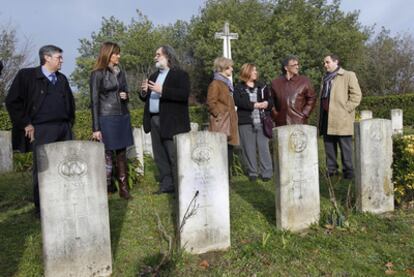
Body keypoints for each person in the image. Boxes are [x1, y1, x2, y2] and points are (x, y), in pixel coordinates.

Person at [6, 45, 75, 215]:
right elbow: (12, 102)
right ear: (47, 57)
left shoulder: (62, 79)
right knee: (43, 168)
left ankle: (64, 201)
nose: (62, 61)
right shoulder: (27, 76)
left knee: (65, 166)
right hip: (42, 129)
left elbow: (70, 103)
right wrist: (25, 123)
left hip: (63, 128)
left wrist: (69, 123)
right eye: (59, 57)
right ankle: (42, 207)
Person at [140, 45, 190, 194]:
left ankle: (180, 185)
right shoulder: (154, 76)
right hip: (154, 119)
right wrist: (143, 93)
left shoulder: (180, 75)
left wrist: (163, 91)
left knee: (173, 154)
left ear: (167, 56)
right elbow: (148, 98)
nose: (155, 57)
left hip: (172, 121)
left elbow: (183, 95)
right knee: (160, 155)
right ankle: (166, 184)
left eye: (158, 54)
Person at [90, 41, 133, 200]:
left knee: (122, 153)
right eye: (116, 53)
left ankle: (124, 189)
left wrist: (126, 95)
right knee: (106, 154)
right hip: (106, 117)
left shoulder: (120, 72)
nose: (119, 56)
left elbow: (126, 91)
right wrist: (96, 128)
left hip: (122, 116)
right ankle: (105, 187)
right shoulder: (97, 73)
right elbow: (94, 101)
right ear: (108, 54)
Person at [319, 54, 362, 179]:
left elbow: (356, 96)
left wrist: (345, 110)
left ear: (336, 61)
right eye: (324, 63)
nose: (325, 65)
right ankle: (331, 171)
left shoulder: (348, 75)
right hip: (327, 117)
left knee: (345, 147)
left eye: (327, 62)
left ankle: (348, 172)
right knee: (329, 145)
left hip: (342, 118)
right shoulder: (325, 78)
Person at [233, 63, 273, 181]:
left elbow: (270, 100)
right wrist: (254, 105)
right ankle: (253, 173)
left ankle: (267, 173)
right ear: (247, 72)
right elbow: (238, 102)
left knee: (263, 147)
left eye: (256, 70)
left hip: (262, 121)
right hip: (245, 122)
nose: (256, 72)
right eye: (254, 71)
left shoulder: (263, 86)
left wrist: (267, 104)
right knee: (248, 148)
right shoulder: (238, 88)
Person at [206, 57, 239, 173]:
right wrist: (219, 116)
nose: (232, 69)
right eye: (230, 67)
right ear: (223, 68)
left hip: (229, 123)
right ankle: (221, 180)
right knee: (220, 154)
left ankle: (227, 180)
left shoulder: (226, 84)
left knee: (228, 153)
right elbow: (211, 102)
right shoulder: (216, 84)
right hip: (221, 124)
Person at [271, 55, 316, 126]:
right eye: (294, 65)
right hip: (281, 123)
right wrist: (275, 115)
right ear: (286, 68)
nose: (297, 67)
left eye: (298, 64)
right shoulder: (275, 83)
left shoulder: (304, 81)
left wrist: (304, 114)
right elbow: (271, 101)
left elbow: (312, 98)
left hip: (299, 122)